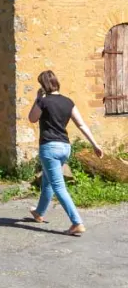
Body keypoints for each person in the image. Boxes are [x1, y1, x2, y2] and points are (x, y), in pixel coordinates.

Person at [28, 70, 103, 236]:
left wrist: (37, 99)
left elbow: (32, 118)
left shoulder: (44, 101)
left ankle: (77, 222)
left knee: (58, 186)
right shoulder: (68, 102)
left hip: (49, 148)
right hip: (65, 148)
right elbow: (81, 124)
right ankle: (39, 213)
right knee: (48, 180)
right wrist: (95, 144)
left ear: (43, 86)